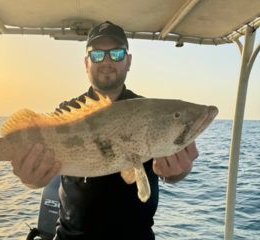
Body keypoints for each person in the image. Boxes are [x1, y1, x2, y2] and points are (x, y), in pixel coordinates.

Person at [11, 21, 198, 240]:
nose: (107, 61)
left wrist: (179, 171)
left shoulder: (152, 112)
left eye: (117, 54)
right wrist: (31, 179)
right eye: (97, 54)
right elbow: (34, 178)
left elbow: (172, 172)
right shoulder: (65, 113)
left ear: (128, 61)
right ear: (86, 63)